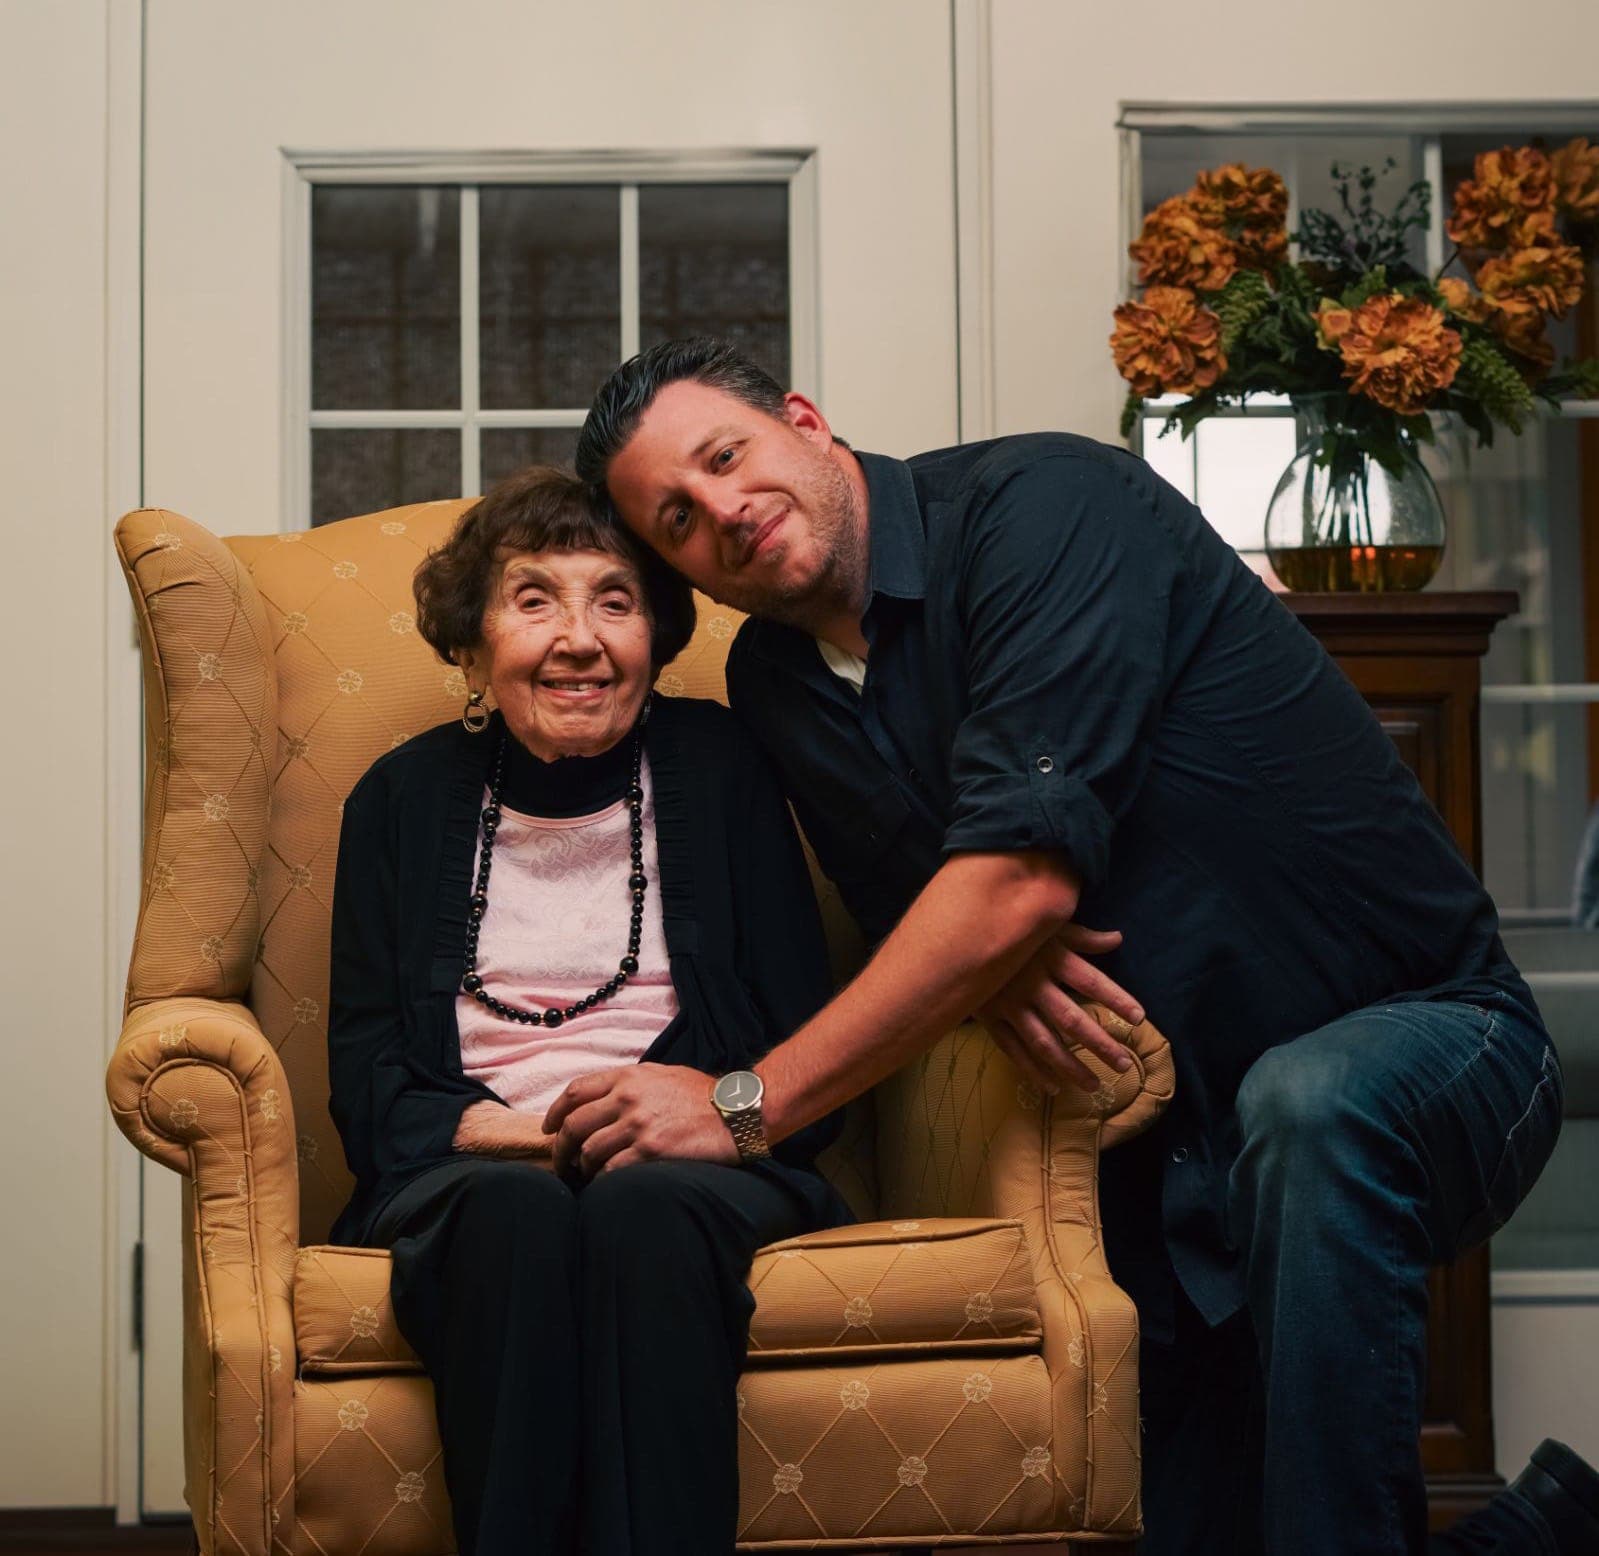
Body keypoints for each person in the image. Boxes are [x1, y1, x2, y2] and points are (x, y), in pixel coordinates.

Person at [567, 338, 1599, 1556]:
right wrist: (983, 944)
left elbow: (1009, 882)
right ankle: (1544, 1528)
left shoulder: (1045, 507)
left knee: (1308, 1101)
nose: (722, 513)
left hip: (1441, 1041)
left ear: (803, 418)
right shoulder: (777, 682)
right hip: (1161, 1154)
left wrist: (744, 1101)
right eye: (676, 518)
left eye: (726, 456)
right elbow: (932, 913)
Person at [325, 466, 846, 1556]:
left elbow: (813, 1062)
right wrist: (543, 1136)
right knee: (517, 1217)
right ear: (469, 647)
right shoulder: (400, 801)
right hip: (469, 1174)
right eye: (533, 599)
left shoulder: (724, 771)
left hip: (702, 1172)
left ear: (656, 638)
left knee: (643, 1210)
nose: (579, 637)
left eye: (615, 600)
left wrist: (716, 1115)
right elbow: (371, 1089)